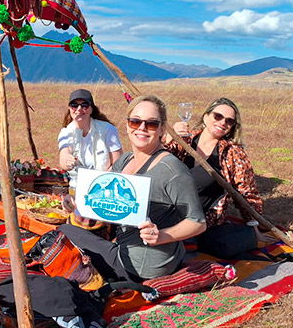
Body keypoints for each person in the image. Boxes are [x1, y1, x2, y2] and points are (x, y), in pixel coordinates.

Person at [60, 95, 206, 281]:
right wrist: (78, 201)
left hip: (141, 266)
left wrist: (161, 236)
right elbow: (105, 199)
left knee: (62, 233)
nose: (142, 128)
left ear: (162, 129)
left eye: (151, 124)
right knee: (72, 229)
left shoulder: (172, 170)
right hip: (129, 249)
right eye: (135, 121)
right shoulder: (126, 160)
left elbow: (198, 222)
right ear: (128, 126)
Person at [163, 97, 263, 227]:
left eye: (229, 121)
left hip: (202, 222)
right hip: (168, 213)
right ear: (205, 117)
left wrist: (254, 227)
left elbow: (246, 193)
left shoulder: (233, 153)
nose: (222, 122)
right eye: (218, 116)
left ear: (232, 127)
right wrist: (169, 138)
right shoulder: (184, 141)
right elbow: (156, 162)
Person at [58, 89, 123, 230]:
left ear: (91, 109)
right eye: (74, 105)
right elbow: (63, 158)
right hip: (77, 195)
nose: (79, 109)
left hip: (104, 194)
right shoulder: (65, 133)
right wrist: (67, 160)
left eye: (84, 105)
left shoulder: (107, 130)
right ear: (69, 109)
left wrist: (99, 185)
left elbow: (118, 164)